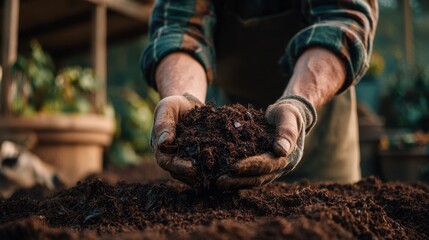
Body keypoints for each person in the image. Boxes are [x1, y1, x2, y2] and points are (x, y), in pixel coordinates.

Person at [141, 0, 378, 190]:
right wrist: (186, 98)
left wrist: (298, 105)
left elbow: (343, 22)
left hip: (322, 137)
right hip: (231, 148)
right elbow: (178, 28)